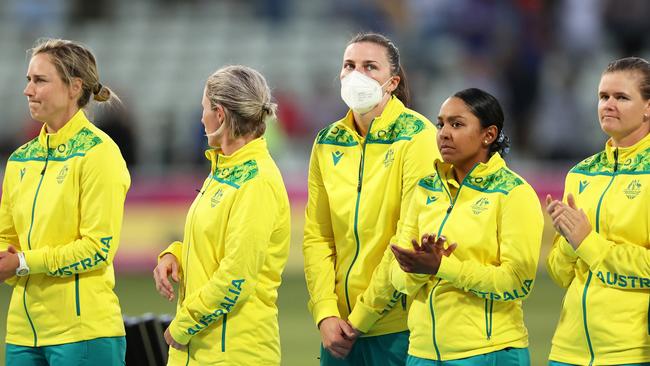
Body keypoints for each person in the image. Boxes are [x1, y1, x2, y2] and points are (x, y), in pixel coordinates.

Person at [302, 32, 440, 365]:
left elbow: (406, 239)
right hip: (336, 330)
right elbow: (318, 236)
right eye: (349, 65)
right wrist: (325, 313)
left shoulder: (418, 137)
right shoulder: (327, 142)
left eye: (369, 67)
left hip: (397, 328)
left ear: (392, 82)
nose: (356, 75)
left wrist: (360, 319)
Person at [0, 38, 130, 365]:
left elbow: (98, 248)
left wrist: (24, 262)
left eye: (40, 80)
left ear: (74, 87)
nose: (28, 90)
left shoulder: (100, 154)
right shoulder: (19, 160)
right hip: (22, 335)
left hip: (84, 334)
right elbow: (7, 240)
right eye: (28, 80)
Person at [390, 88, 543, 366]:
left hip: (490, 353)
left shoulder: (513, 193)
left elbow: (518, 282)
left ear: (489, 135)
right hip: (421, 353)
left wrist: (441, 267)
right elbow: (398, 280)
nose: (444, 133)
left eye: (457, 124)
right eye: (441, 124)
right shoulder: (425, 189)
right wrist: (416, 269)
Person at [152, 65, 290, 365]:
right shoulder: (223, 170)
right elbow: (214, 243)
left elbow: (236, 276)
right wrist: (174, 254)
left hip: (234, 354)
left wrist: (184, 324)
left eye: (203, 108)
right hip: (201, 352)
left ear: (220, 114)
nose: (201, 117)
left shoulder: (257, 182)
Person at [545, 57, 650, 366]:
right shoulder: (581, 173)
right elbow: (559, 273)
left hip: (631, 352)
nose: (608, 105)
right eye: (603, 97)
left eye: (622, 97)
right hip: (567, 350)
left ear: (648, 107)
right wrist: (568, 242)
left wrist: (586, 241)